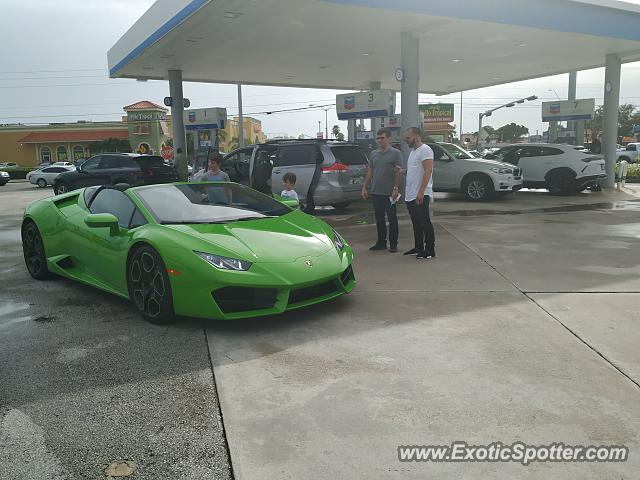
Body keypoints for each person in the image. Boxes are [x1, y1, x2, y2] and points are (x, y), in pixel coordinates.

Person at [361, 128, 403, 253]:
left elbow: (398, 172)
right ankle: (381, 242)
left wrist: (396, 188)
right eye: (378, 138)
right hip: (376, 192)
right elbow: (370, 172)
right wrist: (364, 187)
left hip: (390, 193)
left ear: (389, 138)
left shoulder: (396, 153)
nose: (379, 140)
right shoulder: (374, 153)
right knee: (379, 219)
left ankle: (393, 244)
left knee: (392, 219)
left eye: (382, 138)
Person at [403, 127, 435, 259]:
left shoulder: (425, 150)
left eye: (408, 138)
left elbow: (428, 171)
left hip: (420, 193)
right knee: (416, 222)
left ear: (416, 137)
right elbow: (415, 171)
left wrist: (421, 192)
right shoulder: (413, 152)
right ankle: (418, 247)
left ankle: (430, 250)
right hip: (410, 193)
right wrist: (403, 171)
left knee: (424, 221)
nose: (406, 140)